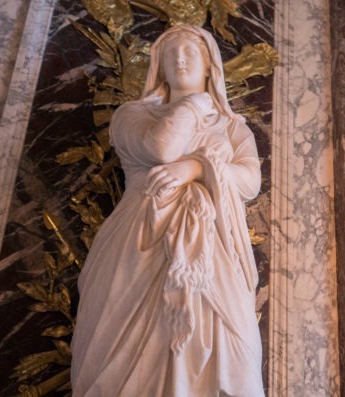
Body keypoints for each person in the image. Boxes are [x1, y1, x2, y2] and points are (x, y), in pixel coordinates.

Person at [71, 25, 264, 396]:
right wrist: (196, 104)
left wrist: (195, 169)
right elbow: (162, 148)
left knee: (235, 354)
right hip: (140, 240)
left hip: (214, 248)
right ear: (157, 66)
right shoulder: (131, 116)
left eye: (191, 52)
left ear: (211, 66)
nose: (180, 59)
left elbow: (249, 181)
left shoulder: (233, 127)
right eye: (171, 53)